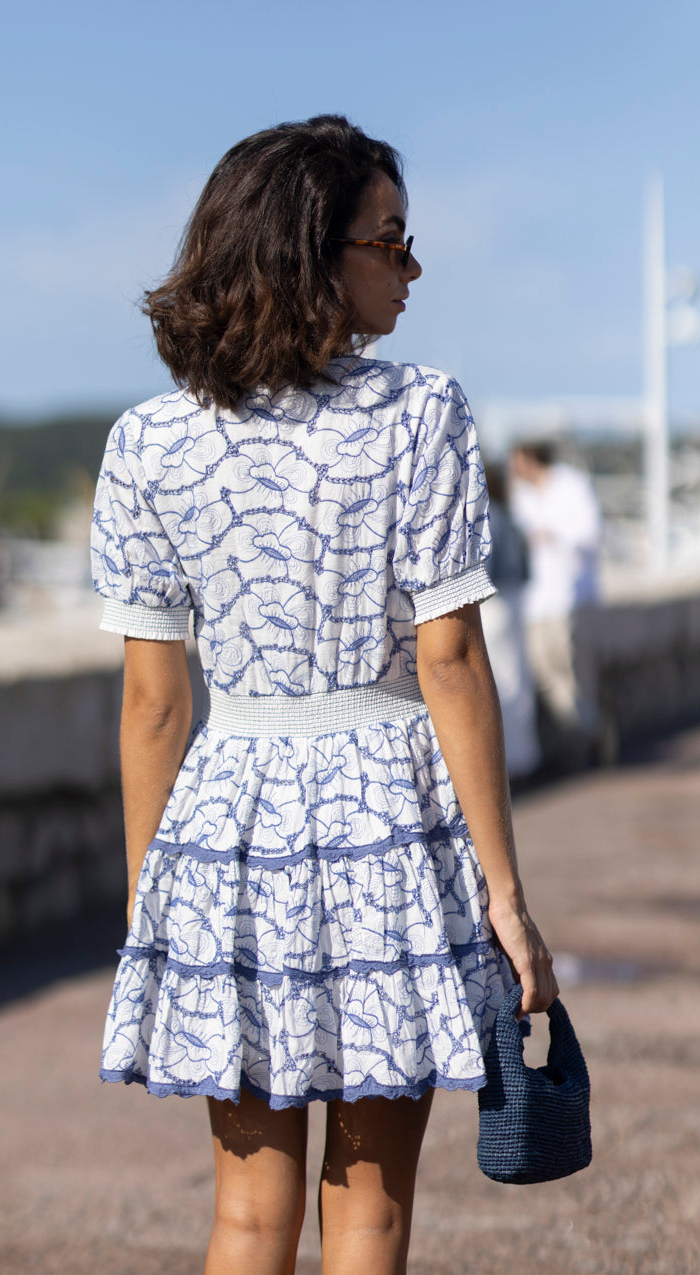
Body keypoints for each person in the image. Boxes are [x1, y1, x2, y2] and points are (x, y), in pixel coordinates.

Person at [91, 115, 558, 1275]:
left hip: (226, 825)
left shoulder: (147, 443)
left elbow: (155, 704)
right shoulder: (421, 413)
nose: (411, 267)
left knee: (246, 1218)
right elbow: (447, 663)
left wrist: (160, 900)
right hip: (385, 828)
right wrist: (504, 893)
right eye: (390, 242)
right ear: (313, 254)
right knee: (370, 1214)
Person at [510, 440, 602, 770]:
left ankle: (585, 740)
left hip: (572, 596)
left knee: (574, 673)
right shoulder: (520, 495)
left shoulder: (572, 485)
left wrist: (554, 535)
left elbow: (591, 533)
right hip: (535, 601)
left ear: (530, 458)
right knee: (545, 672)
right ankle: (590, 731)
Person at [480, 462, 541, 780]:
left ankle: (502, 762)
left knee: (496, 683)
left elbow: (483, 573)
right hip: (517, 603)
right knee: (518, 679)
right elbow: (529, 572)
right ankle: (524, 756)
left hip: (493, 606)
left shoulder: (487, 521)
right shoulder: (514, 521)